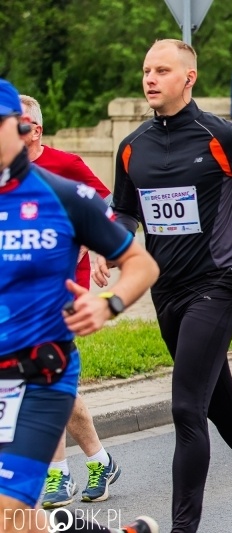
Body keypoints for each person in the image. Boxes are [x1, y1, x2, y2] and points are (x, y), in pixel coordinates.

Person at [92, 40, 232, 533]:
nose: (150, 78)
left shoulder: (225, 136)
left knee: (187, 407)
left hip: (219, 283)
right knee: (219, 404)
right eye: (146, 70)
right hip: (167, 291)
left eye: (162, 70)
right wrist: (108, 243)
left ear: (189, 77)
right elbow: (124, 210)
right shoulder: (133, 146)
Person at [0, 78, 160, 533]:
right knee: (17, 519)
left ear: (22, 127)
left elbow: (141, 264)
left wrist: (108, 303)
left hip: (38, 375)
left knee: (7, 514)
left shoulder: (64, 194)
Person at [19, 94, 121, 509]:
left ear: (36, 130)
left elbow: (109, 205)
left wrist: (94, 247)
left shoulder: (65, 165)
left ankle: (58, 474)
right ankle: (100, 460)